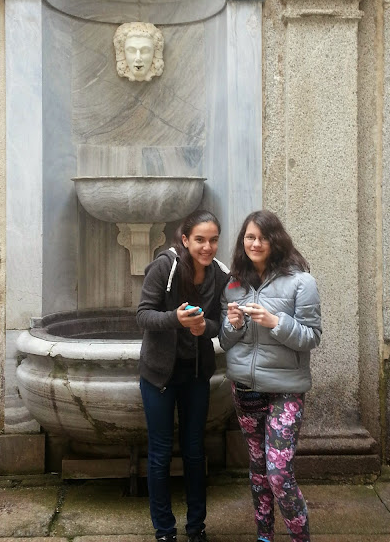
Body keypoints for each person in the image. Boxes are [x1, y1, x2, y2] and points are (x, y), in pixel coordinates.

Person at [219, 210, 321, 542]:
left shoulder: (301, 282)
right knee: (259, 471)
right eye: (250, 237)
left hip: (285, 390)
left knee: (279, 475)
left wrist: (275, 322)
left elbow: (312, 337)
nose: (256, 243)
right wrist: (233, 325)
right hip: (245, 388)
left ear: (276, 240)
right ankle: (264, 536)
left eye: (263, 237)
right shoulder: (233, 284)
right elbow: (225, 341)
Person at [137, 209, 230, 542]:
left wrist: (206, 328)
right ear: (186, 239)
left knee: (194, 452)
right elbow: (143, 315)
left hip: (195, 375)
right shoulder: (166, 266)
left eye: (213, 240)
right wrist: (175, 319)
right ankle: (164, 530)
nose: (207, 247)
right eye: (200, 240)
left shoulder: (220, 275)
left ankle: (196, 527)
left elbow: (219, 324)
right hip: (159, 375)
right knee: (160, 453)